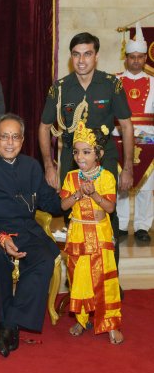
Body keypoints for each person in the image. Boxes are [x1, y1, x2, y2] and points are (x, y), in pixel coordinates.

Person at [0, 114, 62, 358]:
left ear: (22, 140)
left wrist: (73, 194)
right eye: (4, 137)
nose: (10, 142)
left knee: (44, 258)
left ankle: (7, 322)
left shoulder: (30, 166)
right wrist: (1, 237)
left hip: (24, 228)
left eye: (15, 137)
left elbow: (50, 203)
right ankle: (5, 321)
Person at [38, 32, 134, 268]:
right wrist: (49, 166)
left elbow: (126, 125)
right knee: (72, 213)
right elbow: (44, 127)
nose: (82, 60)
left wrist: (128, 168)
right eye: (76, 54)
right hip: (72, 158)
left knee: (108, 213)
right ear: (71, 57)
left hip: (105, 158)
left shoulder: (112, 84)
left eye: (87, 54)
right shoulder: (60, 88)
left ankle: (110, 278)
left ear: (96, 56)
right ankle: (77, 279)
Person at [60, 121, 123, 344]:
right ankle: (81, 318)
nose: (80, 157)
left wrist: (95, 195)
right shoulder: (71, 177)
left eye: (86, 152)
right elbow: (64, 206)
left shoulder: (106, 177)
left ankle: (111, 324)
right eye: (77, 152)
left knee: (105, 281)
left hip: (100, 235)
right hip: (77, 234)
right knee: (79, 278)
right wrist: (77, 194)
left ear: (99, 154)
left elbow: (110, 208)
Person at [114, 22, 153, 242]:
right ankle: (119, 224)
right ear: (126, 58)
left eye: (140, 56)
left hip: (149, 140)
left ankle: (142, 226)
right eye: (132, 56)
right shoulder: (114, 81)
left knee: (147, 185)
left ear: (145, 58)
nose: (136, 60)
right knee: (121, 182)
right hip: (119, 137)